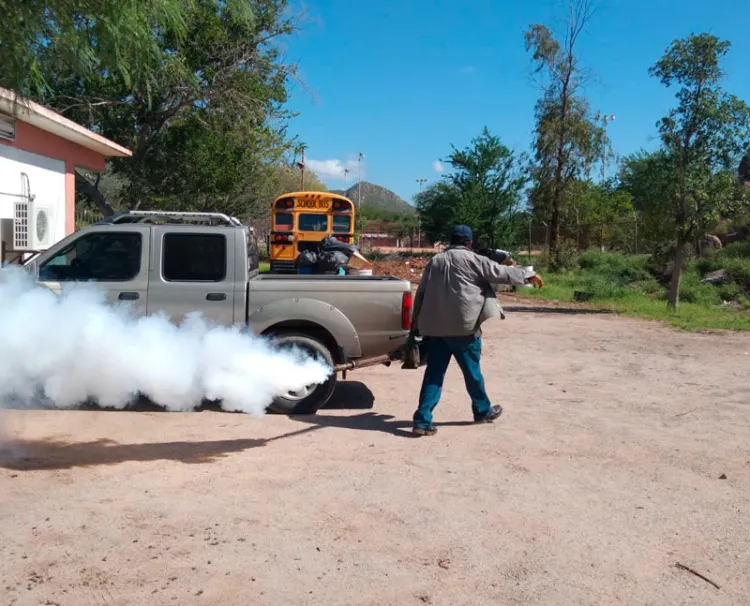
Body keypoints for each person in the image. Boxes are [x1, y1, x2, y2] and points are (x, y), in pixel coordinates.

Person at [410, 225, 543, 436]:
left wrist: (415, 324)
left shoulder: (435, 261)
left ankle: (422, 420)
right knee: (472, 373)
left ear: (450, 241)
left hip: (436, 330)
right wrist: (529, 275)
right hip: (465, 329)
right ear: (470, 243)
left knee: (434, 375)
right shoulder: (475, 260)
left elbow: (421, 293)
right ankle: (482, 411)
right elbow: (502, 273)